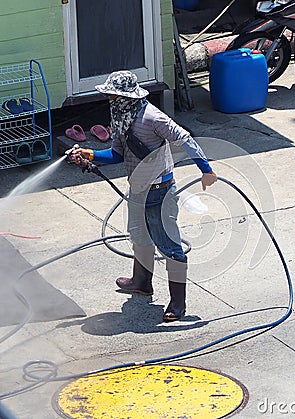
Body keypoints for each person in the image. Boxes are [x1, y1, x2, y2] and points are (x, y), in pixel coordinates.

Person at [68, 70, 217, 322]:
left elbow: (185, 139)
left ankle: (178, 304)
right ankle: (141, 282)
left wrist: (206, 170)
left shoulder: (153, 118)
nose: (110, 100)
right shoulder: (121, 117)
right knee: (139, 236)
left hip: (159, 191)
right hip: (137, 188)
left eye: (114, 95)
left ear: (127, 96)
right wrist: (90, 154)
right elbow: (117, 154)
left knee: (169, 246)